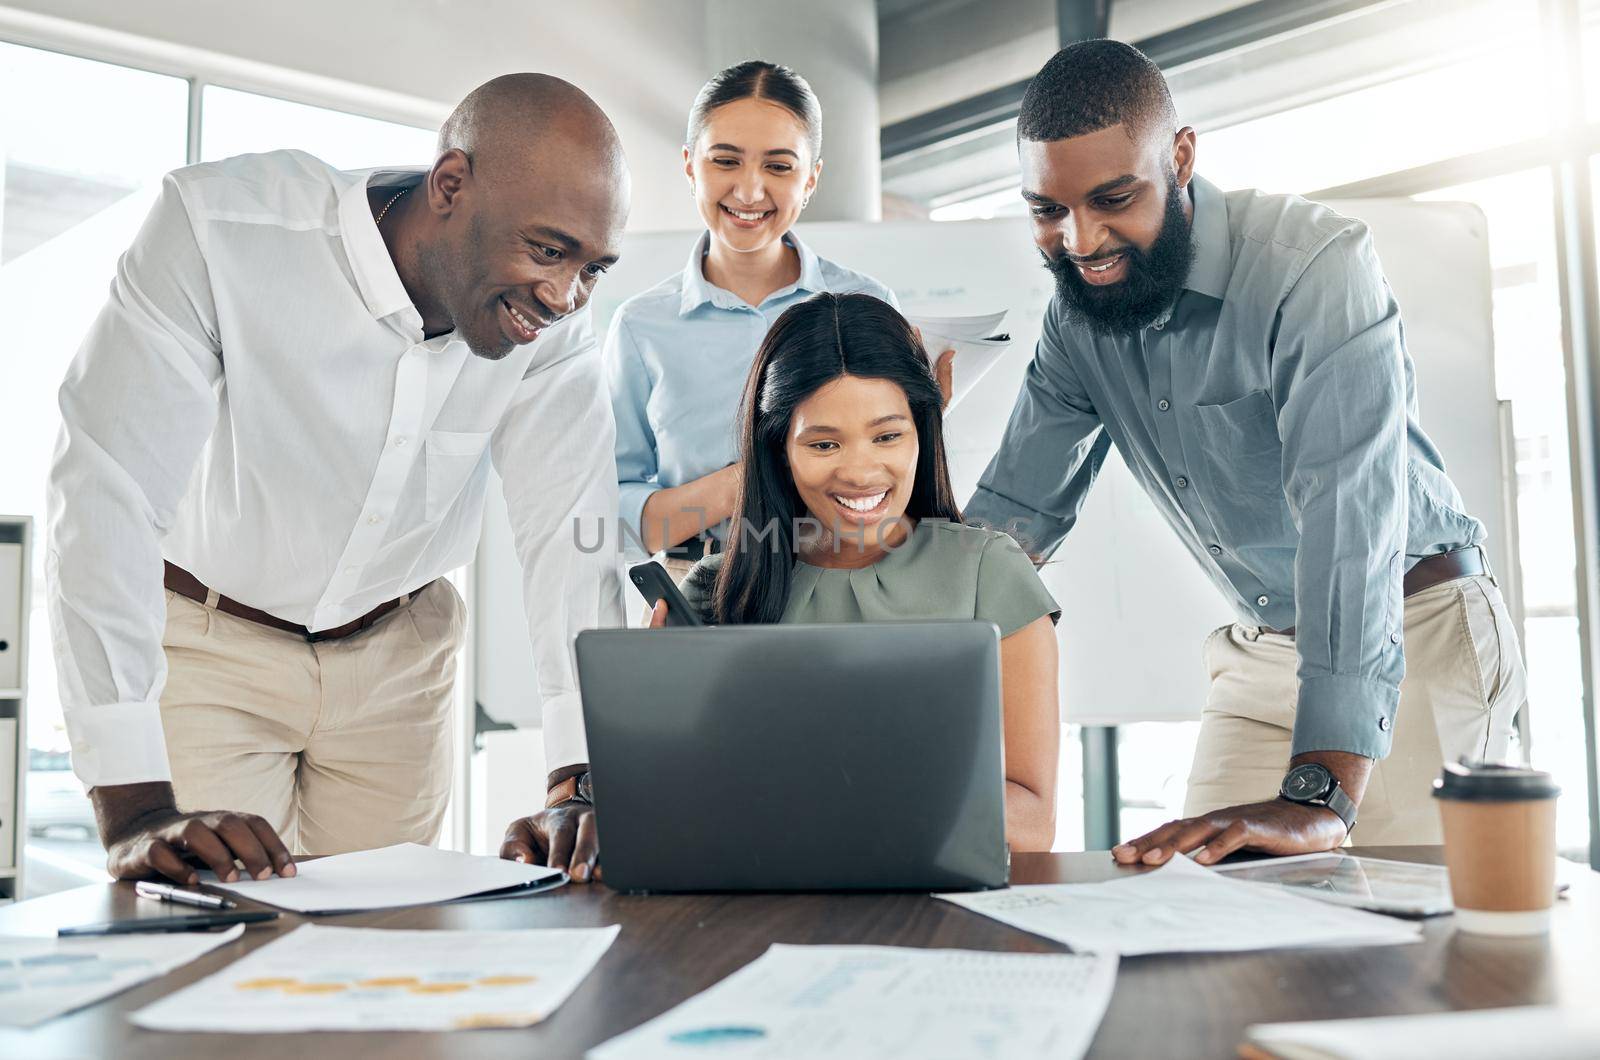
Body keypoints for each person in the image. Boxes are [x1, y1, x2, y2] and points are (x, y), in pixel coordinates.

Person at [47, 73, 629, 886]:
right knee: (213, 946)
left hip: (399, 659)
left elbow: (569, 526)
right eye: (547, 250)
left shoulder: (554, 323)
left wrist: (577, 780)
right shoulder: (221, 229)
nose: (566, 295)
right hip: (212, 646)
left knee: (389, 963)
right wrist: (134, 805)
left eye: (593, 268)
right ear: (451, 185)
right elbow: (107, 490)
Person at [966, 40, 1524, 862]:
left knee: (1416, 958)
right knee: (1190, 906)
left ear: (1181, 156)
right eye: (1047, 211)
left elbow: (1349, 525)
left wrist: (1321, 793)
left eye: (1113, 198)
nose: (1080, 241)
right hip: (1265, 654)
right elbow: (1011, 526)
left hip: (1419, 633)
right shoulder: (1078, 320)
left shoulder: (1313, 269)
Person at [503, 293, 1061, 873]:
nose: (862, 470)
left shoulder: (988, 572)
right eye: (823, 444)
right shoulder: (713, 591)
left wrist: (823, 794)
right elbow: (667, 806)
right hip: (755, 911)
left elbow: (1031, 822)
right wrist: (598, 791)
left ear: (923, 430)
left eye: (888, 436)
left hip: (935, 906)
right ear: (778, 448)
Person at [605, 60, 942, 582]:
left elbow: (896, 480)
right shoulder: (641, 327)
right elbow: (615, 512)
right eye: (726, 161)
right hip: (700, 589)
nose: (749, 191)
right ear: (691, 165)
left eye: (779, 167)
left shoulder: (866, 302)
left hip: (845, 582)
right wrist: (746, 481)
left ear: (811, 180)